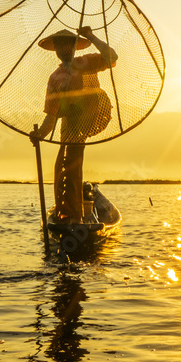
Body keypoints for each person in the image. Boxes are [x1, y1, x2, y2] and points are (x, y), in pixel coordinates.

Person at [31, 26, 117, 224]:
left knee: (71, 164)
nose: (64, 50)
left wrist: (90, 36)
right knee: (62, 165)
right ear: (56, 50)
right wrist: (39, 135)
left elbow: (111, 56)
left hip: (92, 114)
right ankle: (68, 214)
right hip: (68, 125)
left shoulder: (85, 63)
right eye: (60, 46)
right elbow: (51, 117)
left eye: (68, 45)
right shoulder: (55, 78)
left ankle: (74, 216)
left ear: (74, 47)